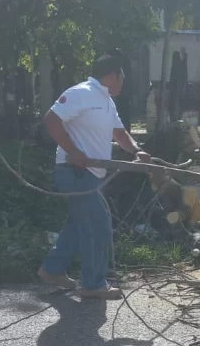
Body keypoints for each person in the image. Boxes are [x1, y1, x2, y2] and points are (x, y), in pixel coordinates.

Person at [38, 52, 151, 300]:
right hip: (75, 171)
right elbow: (51, 120)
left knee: (79, 223)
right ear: (112, 75)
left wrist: (137, 151)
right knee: (98, 224)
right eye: (122, 76)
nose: (123, 82)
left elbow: (120, 133)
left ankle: (52, 269)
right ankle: (93, 284)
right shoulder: (81, 93)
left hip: (91, 173)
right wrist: (73, 151)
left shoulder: (107, 101)